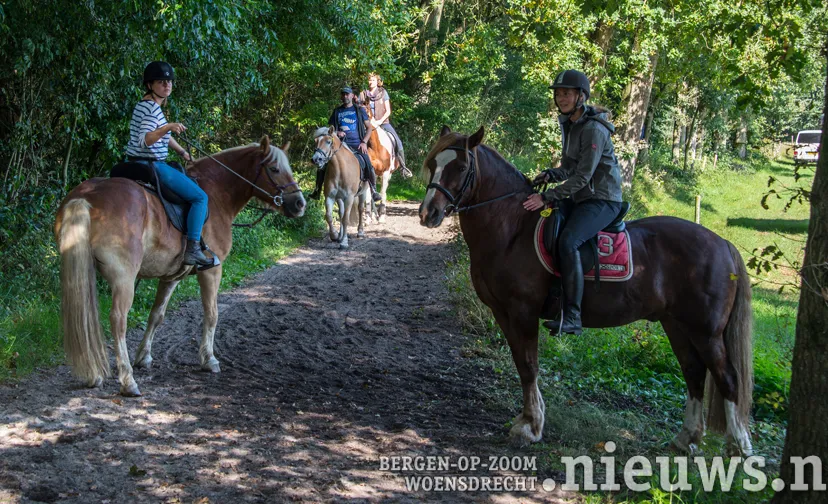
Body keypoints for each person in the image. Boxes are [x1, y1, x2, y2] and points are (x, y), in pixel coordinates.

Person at [522, 69, 624, 336]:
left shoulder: (593, 129)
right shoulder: (571, 124)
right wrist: (550, 174)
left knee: (569, 241)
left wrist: (546, 197)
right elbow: (569, 167)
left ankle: (573, 317)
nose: (561, 98)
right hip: (582, 197)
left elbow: (583, 176)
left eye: (566, 93)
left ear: (581, 96)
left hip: (602, 199)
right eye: (558, 94)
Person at [125, 61, 213, 267]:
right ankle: (192, 249)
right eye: (161, 82)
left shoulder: (146, 105)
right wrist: (169, 127)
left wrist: (181, 151)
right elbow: (145, 139)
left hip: (137, 161)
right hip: (152, 165)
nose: (167, 86)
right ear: (149, 85)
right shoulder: (151, 109)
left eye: (169, 81)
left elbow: (161, 133)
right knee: (200, 197)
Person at [309, 87, 382, 201]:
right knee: (322, 165)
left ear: (352, 96)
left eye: (347, 94)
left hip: (357, 144)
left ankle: (373, 190)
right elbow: (330, 130)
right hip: (339, 145)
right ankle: (317, 190)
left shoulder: (359, 110)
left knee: (368, 163)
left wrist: (364, 142)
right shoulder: (337, 111)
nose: (345, 96)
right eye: (343, 94)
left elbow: (369, 128)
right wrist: (337, 132)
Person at [358, 73, 412, 178]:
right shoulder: (363, 94)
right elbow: (360, 109)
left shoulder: (383, 93)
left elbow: (388, 111)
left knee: (398, 142)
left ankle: (403, 168)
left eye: (373, 80)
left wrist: (379, 121)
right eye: (369, 80)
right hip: (367, 124)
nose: (370, 82)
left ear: (377, 81)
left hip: (383, 123)